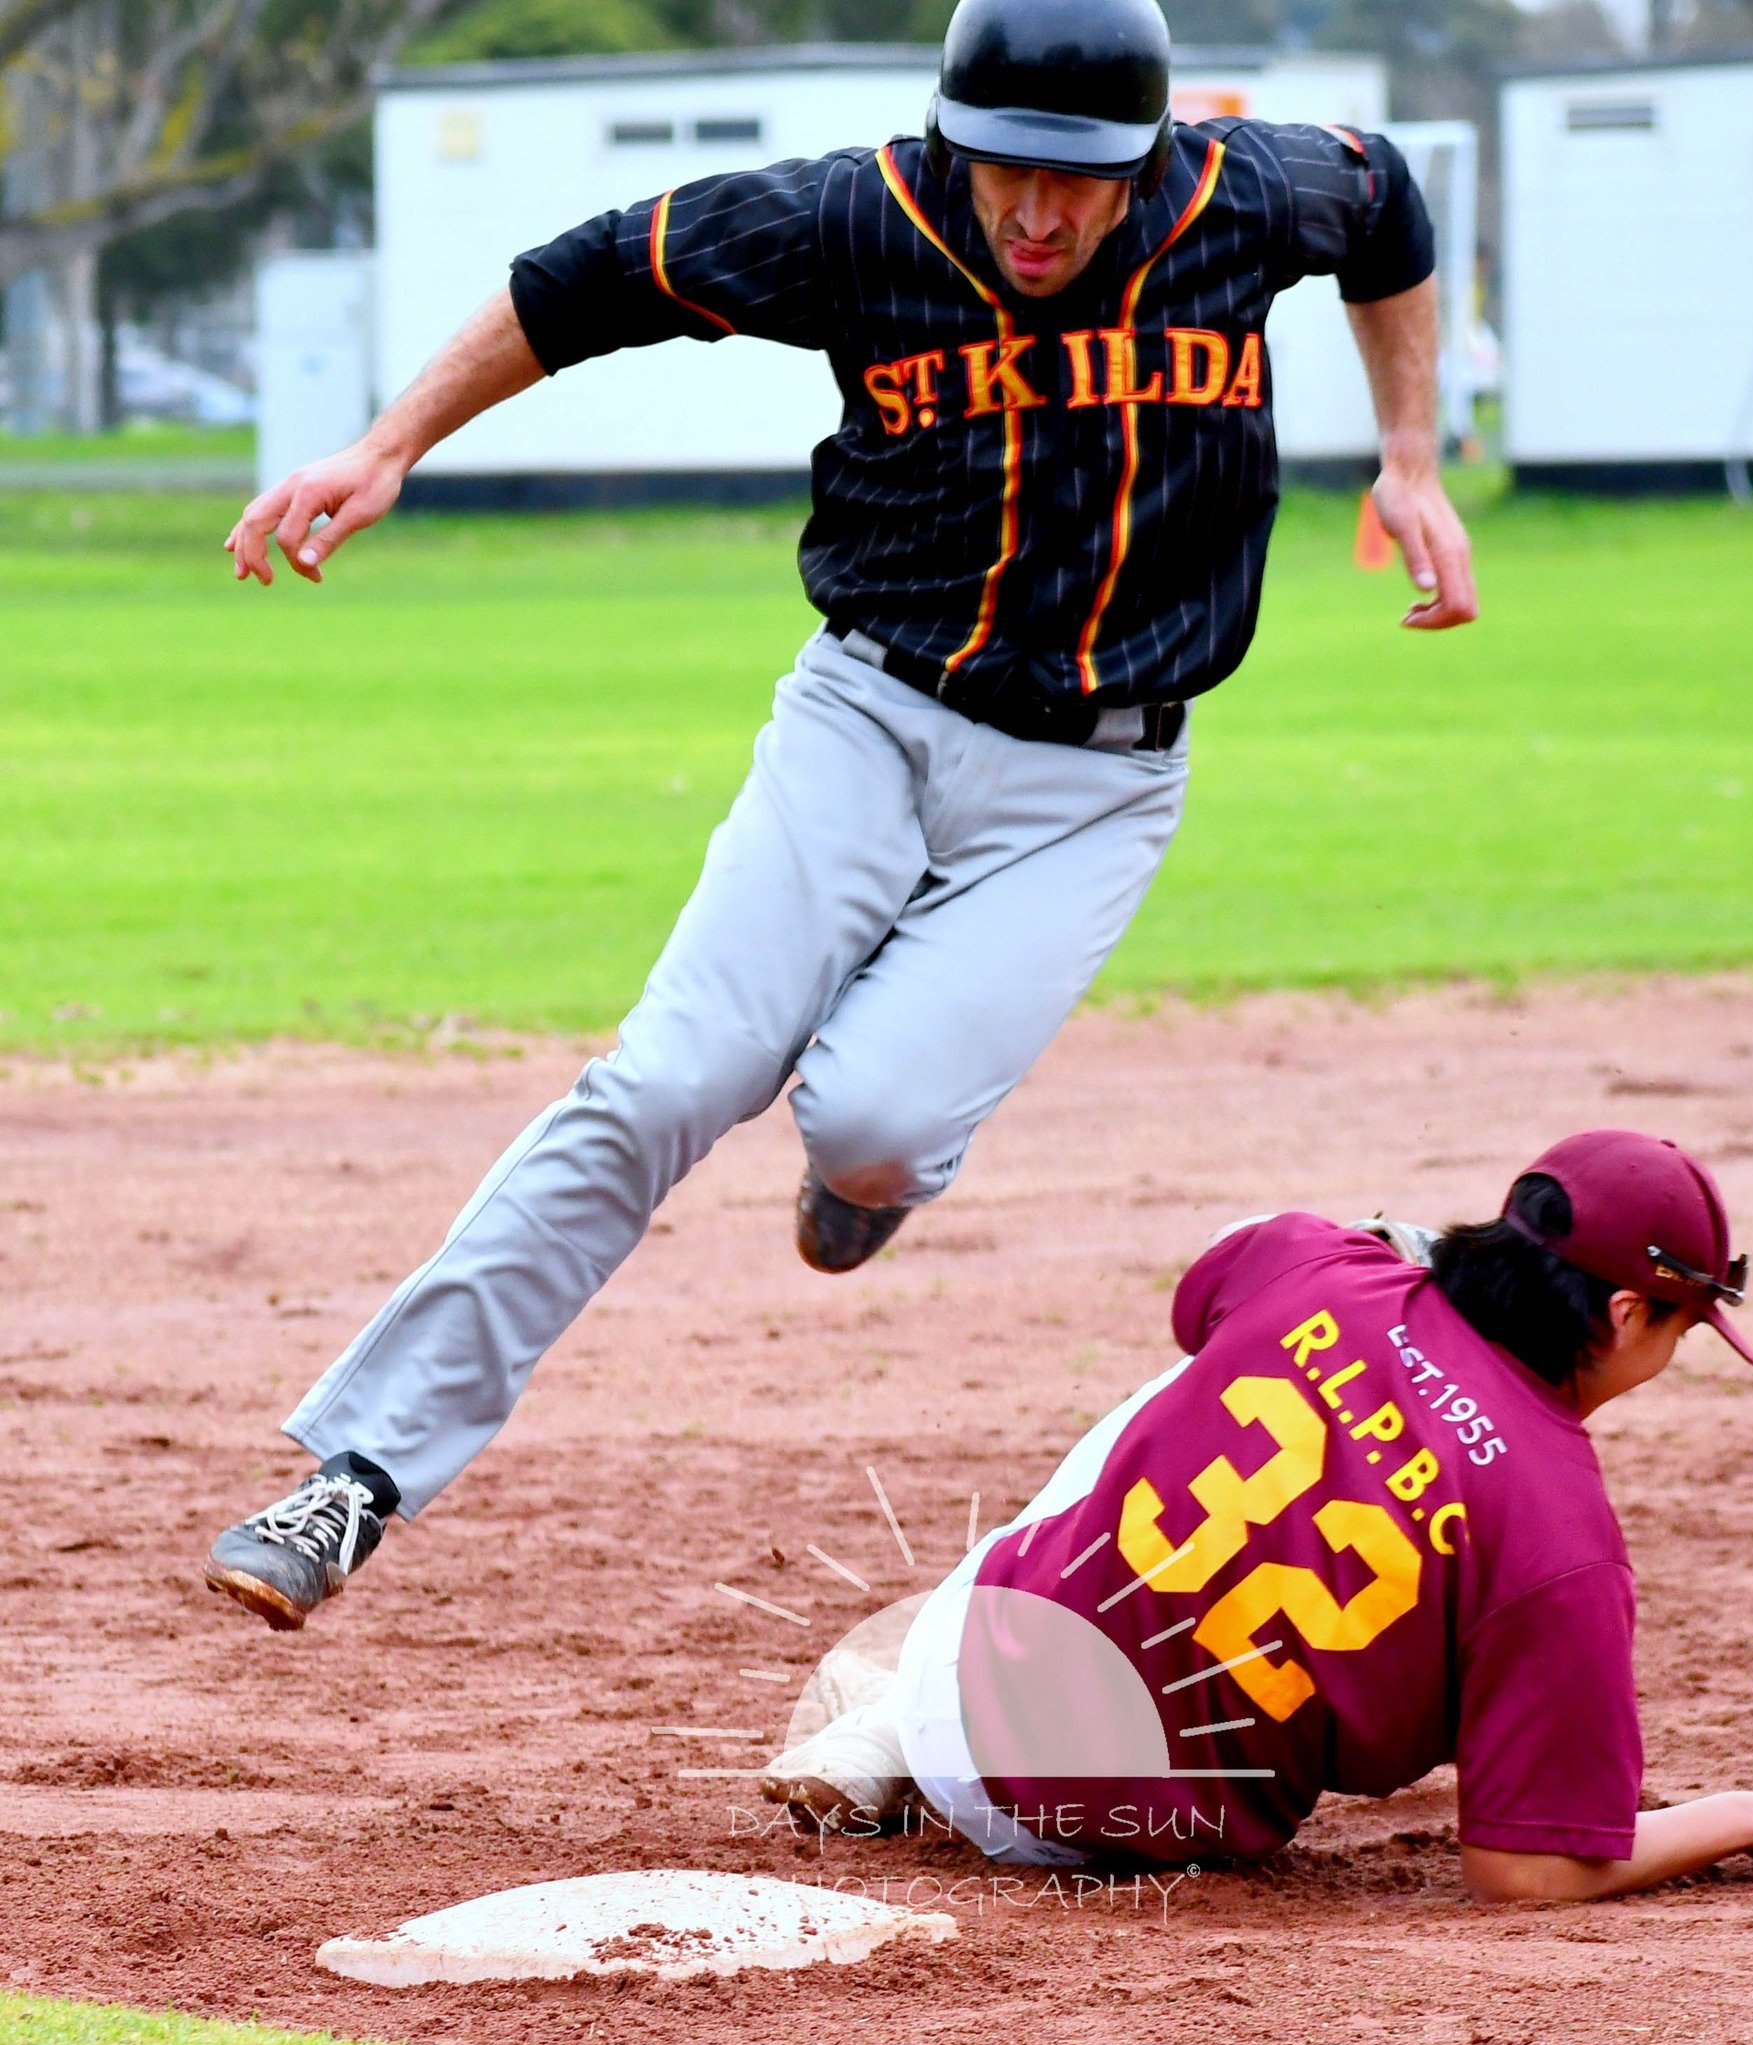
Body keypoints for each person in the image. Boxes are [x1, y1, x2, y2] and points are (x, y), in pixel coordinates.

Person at [203, 0, 1479, 1631]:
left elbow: (1389, 211)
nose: (1031, 210)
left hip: (1092, 787)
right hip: (866, 719)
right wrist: (387, 444)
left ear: (1143, 160)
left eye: (1072, 180)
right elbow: (584, 277)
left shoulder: (1245, 195)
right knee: (667, 1078)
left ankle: (860, 1177)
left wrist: (1409, 458)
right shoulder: (853, 219)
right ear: (953, 139)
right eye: (1001, 166)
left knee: (872, 1125)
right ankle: (353, 1476)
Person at [760, 1130, 1753, 1900]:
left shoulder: (1327, 1265)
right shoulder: (1565, 1539)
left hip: (971, 1670)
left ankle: (904, 1721)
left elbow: (1199, 1290)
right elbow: (1525, 1869)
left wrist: (1388, 1288)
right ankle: (899, 1731)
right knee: (1441, 1580)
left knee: (1204, 1385)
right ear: (1626, 1312)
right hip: (1116, 1837)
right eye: (1682, 1327)